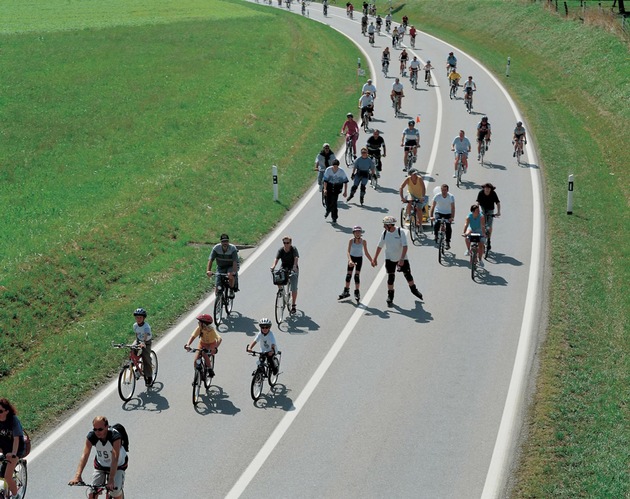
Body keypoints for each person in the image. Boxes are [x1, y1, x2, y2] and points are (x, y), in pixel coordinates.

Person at [69, 416, 127, 498]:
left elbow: (115, 458)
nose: (97, 432)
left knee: (115, 492)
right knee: (92, 493)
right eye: (95, 429)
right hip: (101, 465)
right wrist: (77, 476)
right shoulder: (91, 436)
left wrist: (111, 480)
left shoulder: (115, 436)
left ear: (107, 427)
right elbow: (85, 455)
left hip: (118, 465)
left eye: (100, 429)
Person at [371, 216, 423, 306]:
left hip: (401, 257)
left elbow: (405, 246)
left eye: (385, 225)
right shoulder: (384, 233)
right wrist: (375, 258)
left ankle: (414, 290)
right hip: (389, 258)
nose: (384, 227)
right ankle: (390, 296)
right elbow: (380, 246)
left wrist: (402, 259)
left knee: (408, 275)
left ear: (390, 225)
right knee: (391, 277)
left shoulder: (400, 232)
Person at [339, 226, 373, 302]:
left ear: (361, 233)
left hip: (359, 259)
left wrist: (371, 260)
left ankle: (357, 292)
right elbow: (348, 252)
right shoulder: (351, 240)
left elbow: (366, 252)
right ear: (353, 233)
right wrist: (350, 260)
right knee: (348, 275)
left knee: (356, 276)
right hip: (352, 258)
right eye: (356, 232)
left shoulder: (363, 241)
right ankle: (346, 291)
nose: (357, 234)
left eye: (359, 232)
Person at [0, 399, 26, 499]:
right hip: (4, 447)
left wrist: (13, 453)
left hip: (16, 448)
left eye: (0, 411)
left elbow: (16, 439)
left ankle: (16, 496)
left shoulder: (13, 420)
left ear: (7, 411)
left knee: (7, 476)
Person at [184, 314, 222, 378]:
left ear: (204, 324)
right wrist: (188, 344)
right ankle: (197, 376)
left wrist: (215, 348)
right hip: (202, 344)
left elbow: (219, 339)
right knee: (195, 360)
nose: (198, 323)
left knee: (204, 353)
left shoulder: (211, 330)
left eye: (200, 322)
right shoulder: (199, 328)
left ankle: (210, 369)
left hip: (211, 344)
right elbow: (193, 336)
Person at [271, 236, 299, 314]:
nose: (286, 244)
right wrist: (273, 266)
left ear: (290, 243)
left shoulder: (293, 249)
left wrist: (294, 267)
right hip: (284, 267)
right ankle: (281, 291)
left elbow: (296, 258)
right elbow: (276, 259)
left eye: (287, 243)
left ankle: (293, 305)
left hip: (292, 268)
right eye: (284, 243)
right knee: (277, 278)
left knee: (293, 287)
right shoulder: (281, 250)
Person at [207, 233, 239, 298]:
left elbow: (235, 261)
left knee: (230, 275)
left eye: (226, 241)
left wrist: (234, 272)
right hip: (221, 266)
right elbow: (210, 260)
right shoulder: (216, 248)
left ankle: (231, 290)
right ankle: (218, 298)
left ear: (228, 242)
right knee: (218, 282)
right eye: (223, 241)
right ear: (220, 242)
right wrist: (208, 271)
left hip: (231, 266)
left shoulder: (232, 248)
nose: (225, 243)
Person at [131, 308, 153, 387]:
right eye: (137, 317)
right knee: (132, 349)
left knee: (146, 359)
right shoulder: (135, 325)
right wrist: (136, 342)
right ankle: (135, 366)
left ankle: (149, 377)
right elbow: (137, 334)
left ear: (143, 318)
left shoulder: (146, 326)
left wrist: (143, 342)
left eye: (140, 317)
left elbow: (146, 335)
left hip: (146, 342)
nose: (138, 319)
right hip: (139, 340)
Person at [430, 184, 455, 250]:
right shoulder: (437, 196)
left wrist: (452, 217)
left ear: (447, 190)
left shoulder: (451, 197)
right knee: (437, 223)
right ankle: (436, 235)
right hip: (439, 212)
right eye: (442, 190)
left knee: (448, 226)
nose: (443, 191)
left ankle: (447, 242)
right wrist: (431, 216)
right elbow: (433, 206)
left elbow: (453, 208)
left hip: (448, 213)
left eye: (445, 190)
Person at [323, 159, 349, 224]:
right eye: (334, 166)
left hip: (337, 187)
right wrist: (325, 189)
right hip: (329, 186)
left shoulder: (341, 171)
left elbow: (345, 182)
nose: (335, 167)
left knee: (334, 203)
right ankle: (328, 210)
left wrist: (345, 192)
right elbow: (325, 181)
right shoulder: (328, 170)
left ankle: (334, 218)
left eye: (336, 166)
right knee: (327, 201)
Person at [476, 183, 501, 249]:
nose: (487, 189)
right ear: (484, 188)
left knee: (489, 226)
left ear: (491, 189)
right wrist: (476, 210)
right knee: (482, 219)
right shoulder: (481, 193)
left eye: (488, 188)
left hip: (490, 209)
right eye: (486, 188)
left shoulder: (493, 194)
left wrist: (498, 212)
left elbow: (498, 203)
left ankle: (489, 240)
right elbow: (478, 203)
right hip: (483, 207)